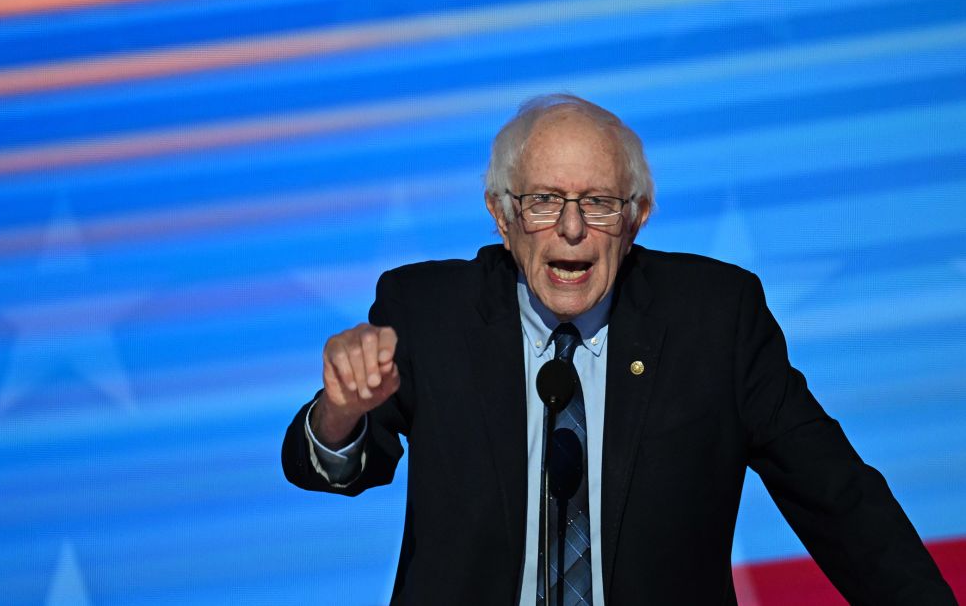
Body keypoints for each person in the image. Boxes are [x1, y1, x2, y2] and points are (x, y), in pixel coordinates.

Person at [281, 94, 955, 605]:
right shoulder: (429, 313)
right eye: (544, 201)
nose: (571, 229)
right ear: (501, 215)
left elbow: (838, 500)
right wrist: (341, 412)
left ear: (636, 218)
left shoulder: (714, 321)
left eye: (598, 203)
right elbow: (335, 465)